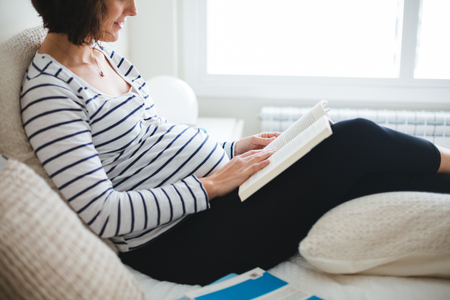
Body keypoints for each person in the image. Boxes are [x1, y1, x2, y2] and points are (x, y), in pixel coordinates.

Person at [22, 0, 450, 286]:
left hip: (214, 203)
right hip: (178, 243)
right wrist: (211, 185)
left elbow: (153, 140)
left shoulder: (103, 53)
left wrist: (232, 151)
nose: (133, 8)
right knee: (354, 139)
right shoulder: (49, 92)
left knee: (357, 170)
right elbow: (103, 214)